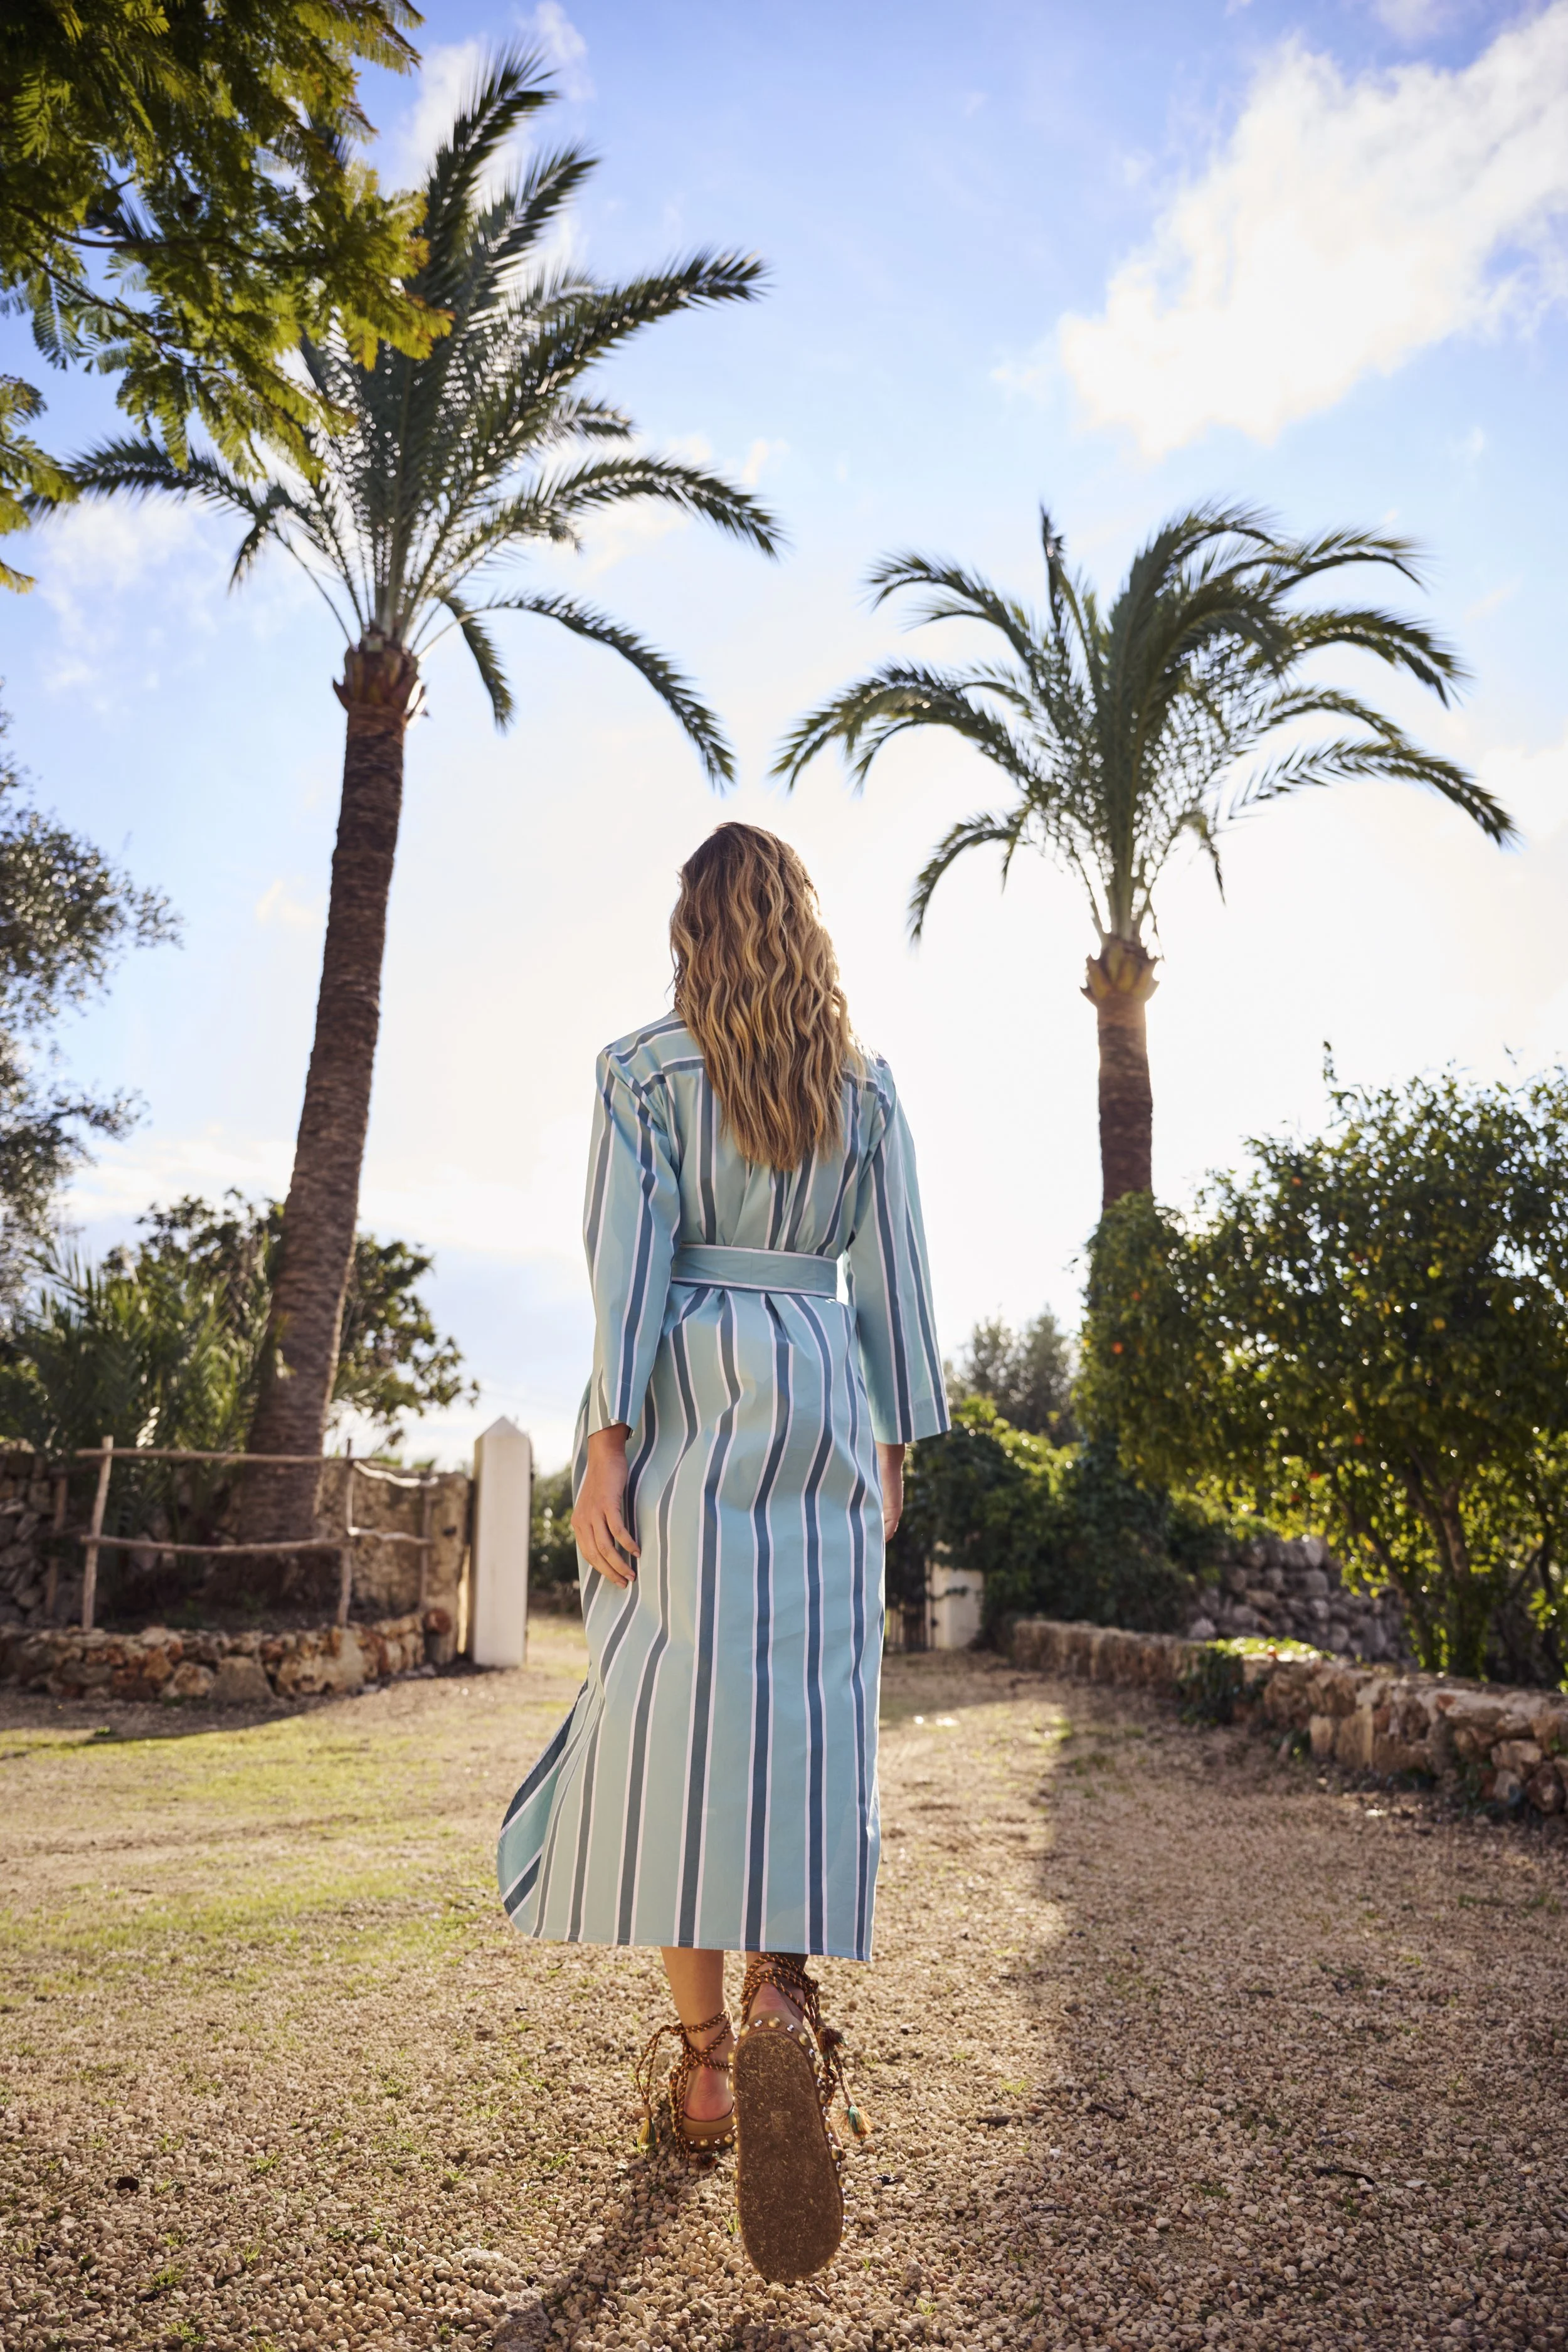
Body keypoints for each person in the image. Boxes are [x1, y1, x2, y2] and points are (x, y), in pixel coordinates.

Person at [496, 821, 947, 2282]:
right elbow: (896, 1275)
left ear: (692, 928)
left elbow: (623, 1263)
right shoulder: (864, 1088)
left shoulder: (640, 1070)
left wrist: (609, 1441)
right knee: (804, 1721)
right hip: (823, 1391)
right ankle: (778, 1999)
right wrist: (887, 1452)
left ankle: (701, 2064)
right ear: (804, 924)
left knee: (671, 1730)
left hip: (684, 1395)